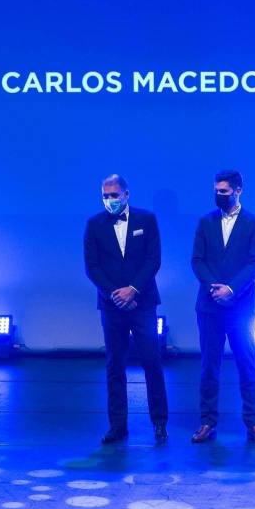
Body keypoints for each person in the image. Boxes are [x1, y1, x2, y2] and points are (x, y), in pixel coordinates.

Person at [83, 174, 169, 445]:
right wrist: (114, 294)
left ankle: (159, 422)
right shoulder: (94, 224)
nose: (110, 200)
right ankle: (117, 426)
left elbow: (153, 260)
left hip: (143, 303)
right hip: (111, 306)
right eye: (105, 196)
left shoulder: (147, 219)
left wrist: (133, 290)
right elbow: (92, 267)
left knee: (151, 362)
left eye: (114, 195)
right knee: (114, 366)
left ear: (126, 195)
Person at [191, 170, 255, 444]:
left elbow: (254, 262)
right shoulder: (205, 222)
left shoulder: (254, 223)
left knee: (247, 364)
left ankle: (254, 423)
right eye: (216, 191)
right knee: (208, 366)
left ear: (238, 191)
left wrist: (232, 289)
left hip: (241, 307)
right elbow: (197, 260)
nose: (218, 195)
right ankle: (207, 422)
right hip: (209, 305)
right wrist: (215, 288)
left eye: (223, 191)